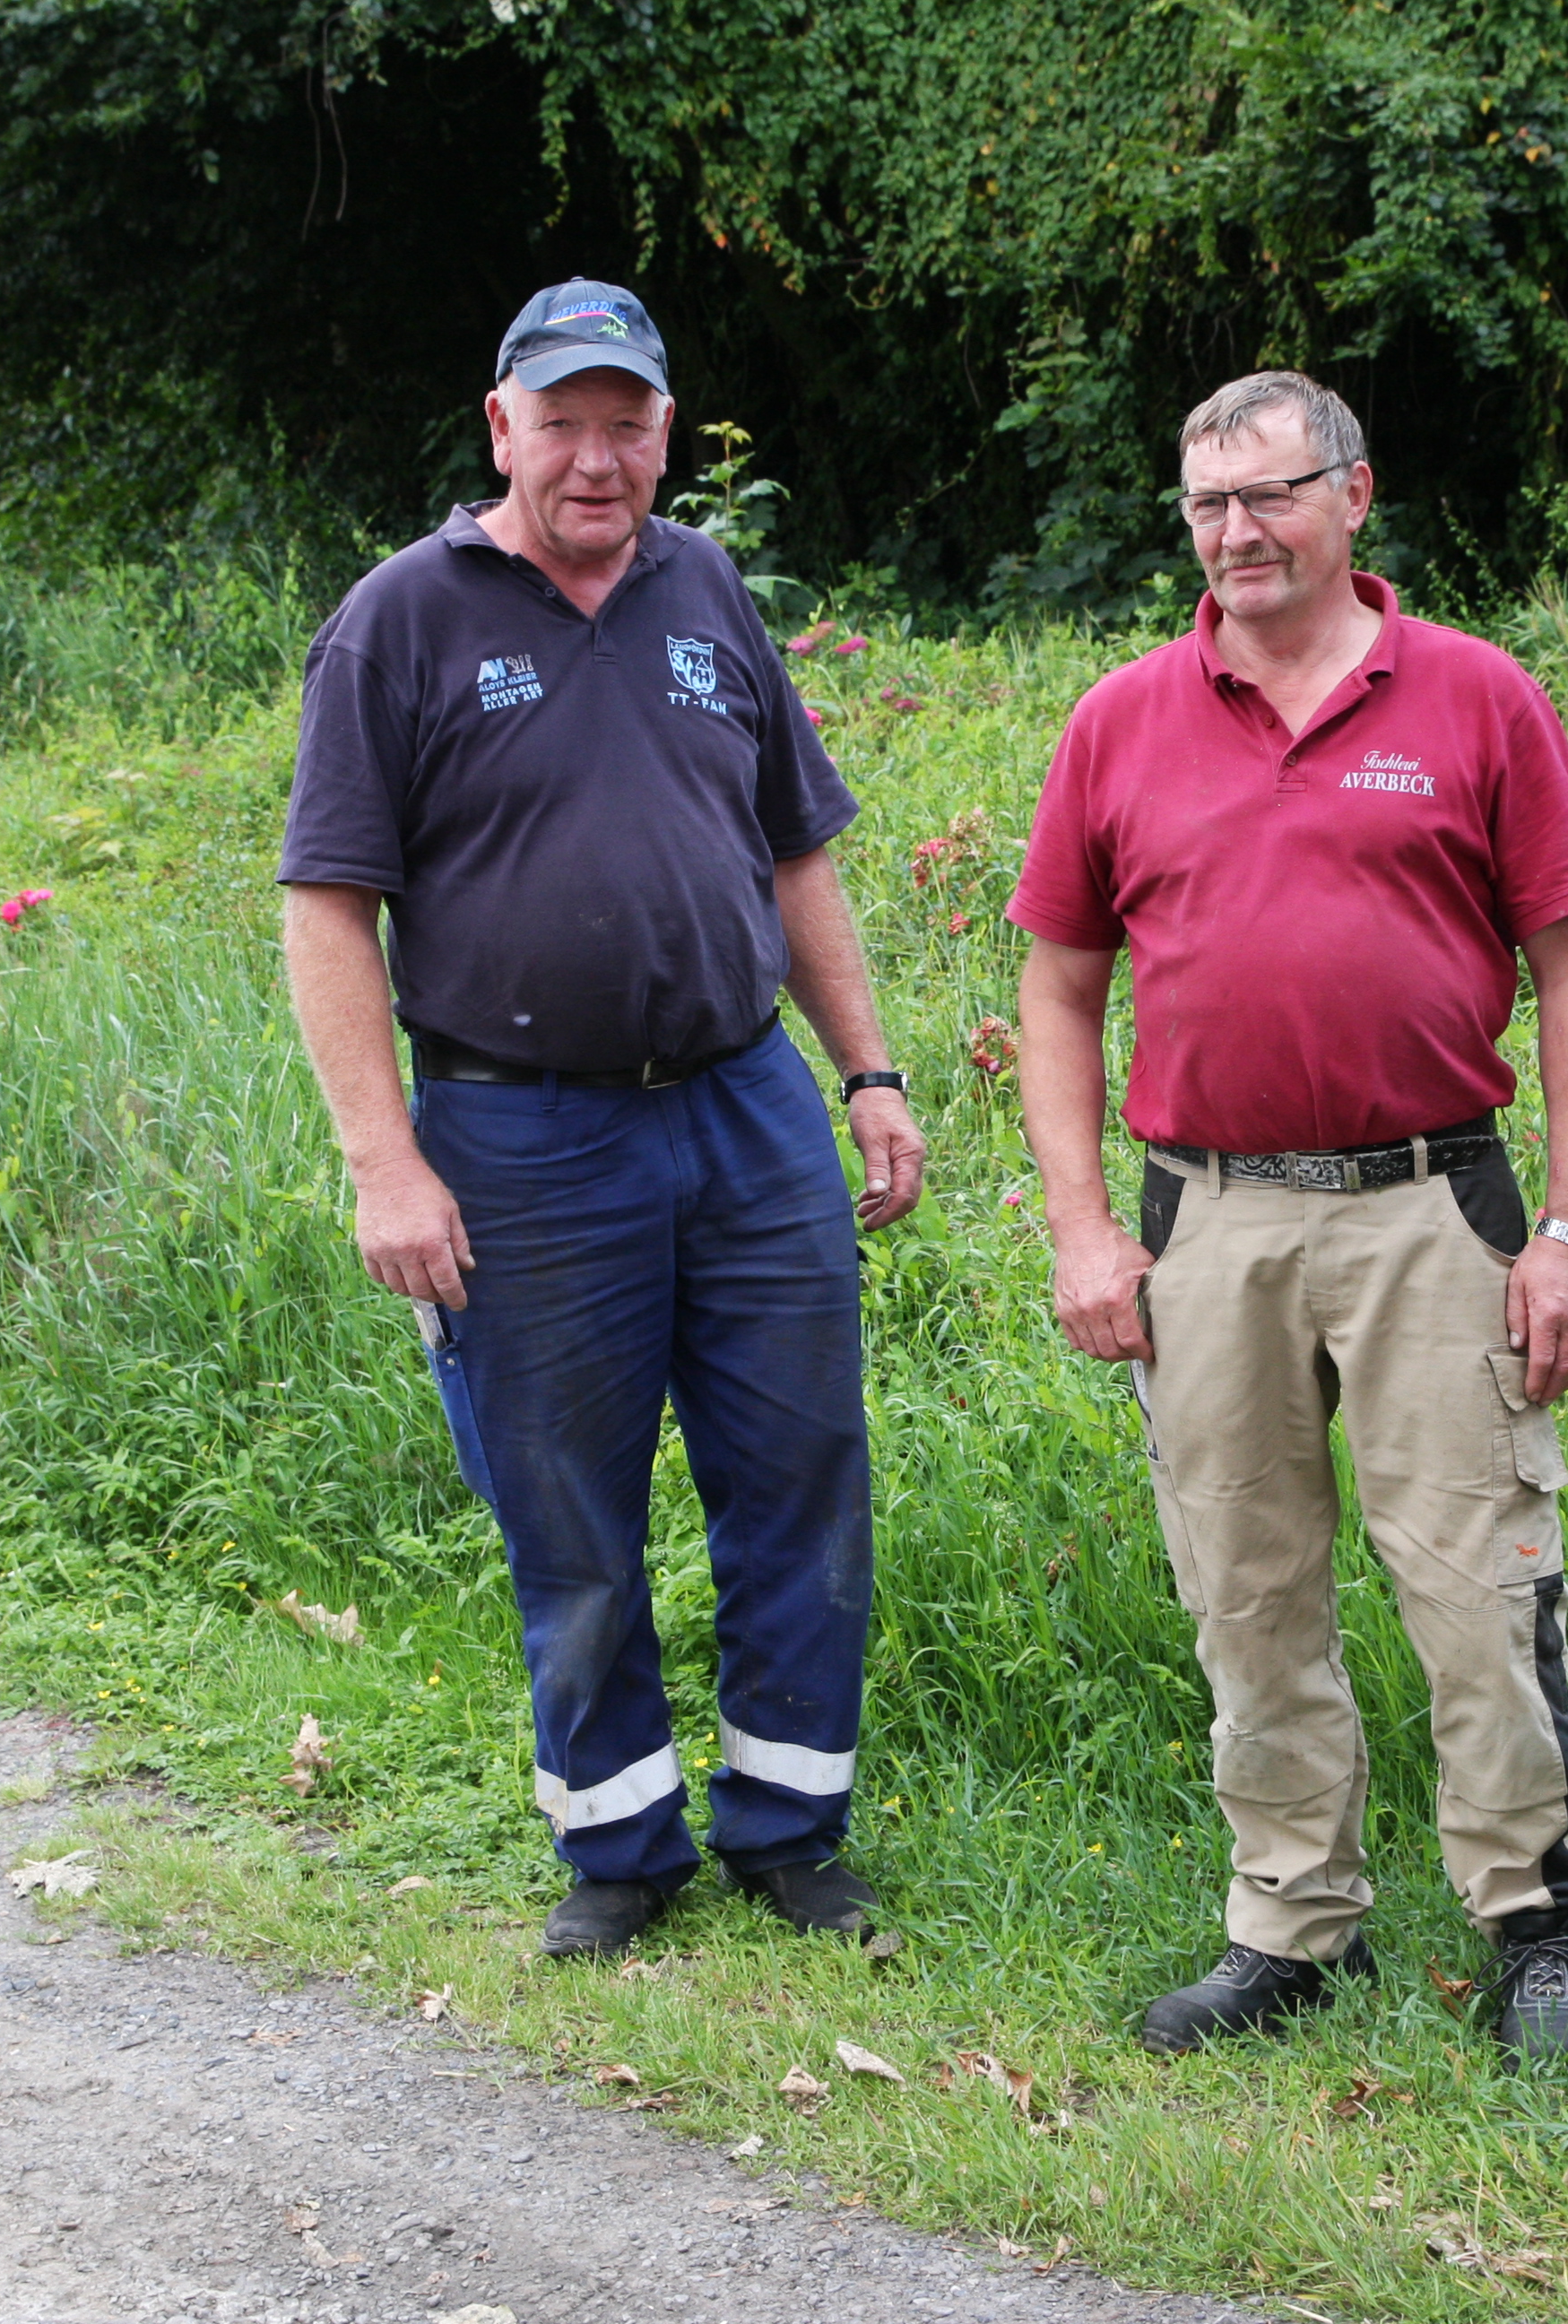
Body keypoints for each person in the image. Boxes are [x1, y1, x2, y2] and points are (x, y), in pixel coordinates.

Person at [277, 277, 929, 1961]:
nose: (596, 456)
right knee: (567, 1509)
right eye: (560, 421)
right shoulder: (400, 621)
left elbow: (796, 850)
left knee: (799, 1472)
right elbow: (329, 910)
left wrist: (866, 1074)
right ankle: (621, 1848)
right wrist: (385, 1160)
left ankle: (791, 1833)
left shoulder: (706, 587)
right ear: (500, 425)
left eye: (625, 422)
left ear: (660, 431)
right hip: (520, 1141)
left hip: (744, 1111)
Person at [1009, 370, 1568, 2064]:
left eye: (1270, 496)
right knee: (1246, 1588)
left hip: (1432, 1209)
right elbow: (1059, 989)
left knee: (1480, 1585)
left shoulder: (1481, 700)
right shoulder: (1123, 720)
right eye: (1207, 507)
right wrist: (1083, 1230)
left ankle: (1536, 1924)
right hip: (1207, 1225)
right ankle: (1294, 1925)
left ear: (1356, 495)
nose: (1237, 534)